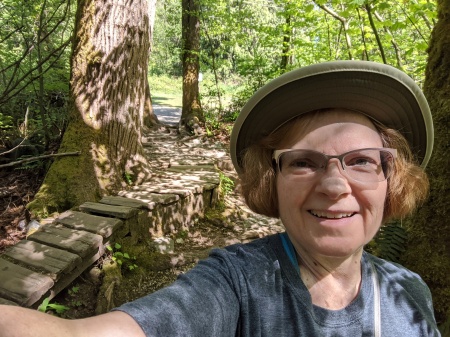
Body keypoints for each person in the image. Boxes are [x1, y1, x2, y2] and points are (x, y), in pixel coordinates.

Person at [0, 60, 441, 336]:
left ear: (391, 178)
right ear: (271, 181)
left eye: (361, 161)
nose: (334, 185)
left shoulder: (410, 293)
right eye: (303, 162)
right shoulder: (235, 283)